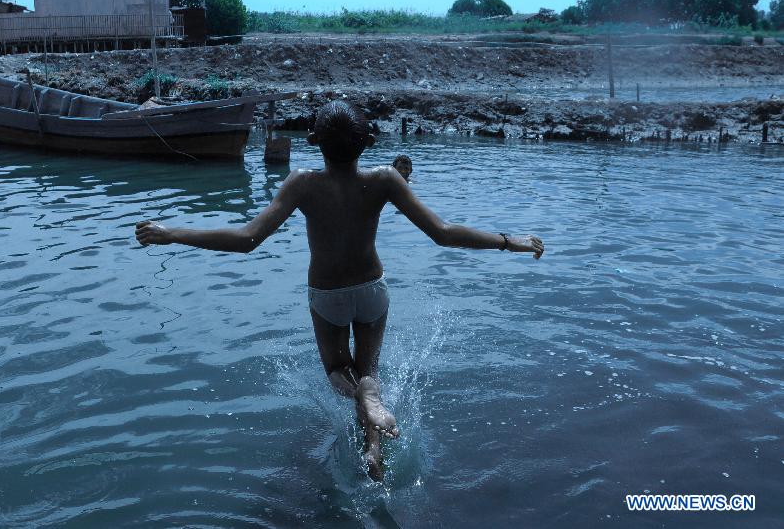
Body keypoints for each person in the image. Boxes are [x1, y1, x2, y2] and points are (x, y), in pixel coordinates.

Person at [135, 101, 544, 481]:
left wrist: (173, 234)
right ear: (369, 142)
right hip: (371, 289)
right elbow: (443, 233)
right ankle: (372, 441)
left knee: (337, 370)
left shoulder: (302, 183)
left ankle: (366, 407)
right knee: (370, 372)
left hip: (327, 295)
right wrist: (509, 241)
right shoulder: (386, 179)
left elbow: (247, 239)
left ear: (312, 141)